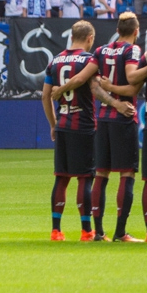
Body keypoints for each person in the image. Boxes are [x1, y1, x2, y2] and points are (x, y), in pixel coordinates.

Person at [87, 11, 143, 241]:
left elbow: (92, 84)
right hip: (124, 118)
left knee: (101, 173)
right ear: (136, 31)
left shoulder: (100, 50)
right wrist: (119, 103)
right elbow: (131, 83)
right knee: (126, 173)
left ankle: (99, 232)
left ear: (117, 31)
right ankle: (120, 231)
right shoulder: (133, 50)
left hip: (103, 118)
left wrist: (109, 97)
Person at [42, 19, 99, 241]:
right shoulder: (89, 60)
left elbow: (45, 96)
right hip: (83, 124)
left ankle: (56, 230)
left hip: (63, 124)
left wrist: (53, 124)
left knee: (61, 177)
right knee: (85, 178)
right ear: (90, 38)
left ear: (71, 36)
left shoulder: (55, 61)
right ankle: (86, 230)